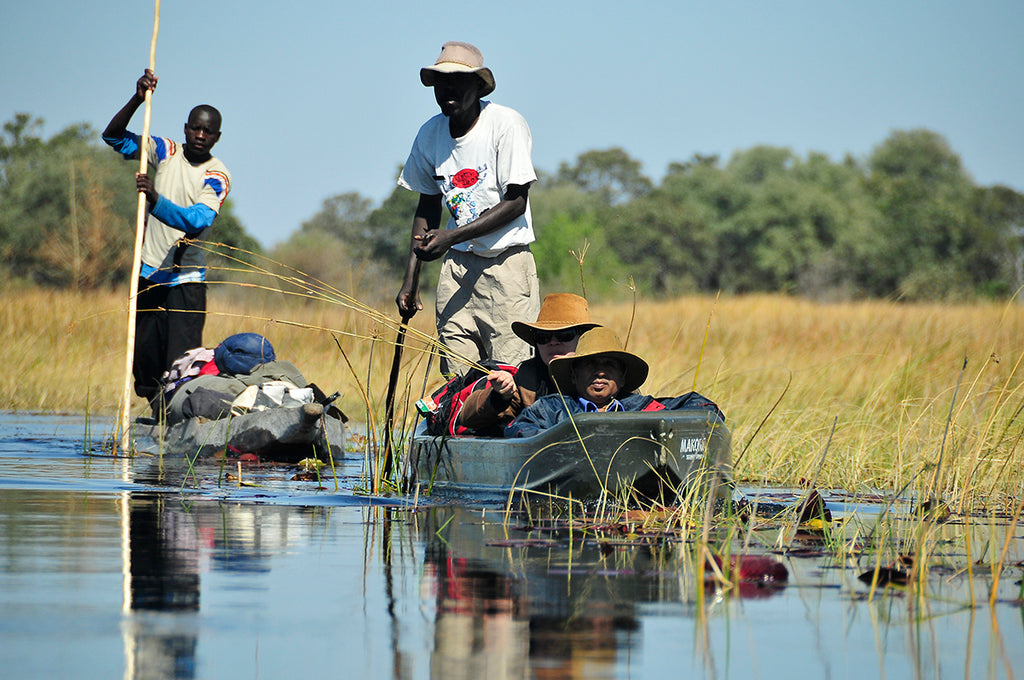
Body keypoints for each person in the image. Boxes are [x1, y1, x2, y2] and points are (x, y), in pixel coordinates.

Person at [395, 41, 540, 376]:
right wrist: (411, 279)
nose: (448, 89)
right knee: (458, 376)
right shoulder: (430, 134)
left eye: (458, 80)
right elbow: (428, 205)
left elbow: (516, 202)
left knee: (511, 374)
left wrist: (452, 235)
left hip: (506, 266)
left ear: (478, 85)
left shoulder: (506, 124)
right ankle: (461, 428)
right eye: (441, 81)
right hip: (456, 270)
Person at [103, 69, 231, 406]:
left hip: (186, 281)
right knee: (145, 365)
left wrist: (155, 198)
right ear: (186, 129)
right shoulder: (165, 150)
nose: (200, 135)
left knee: (182, 367)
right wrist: (138, 97)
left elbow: (194, 221)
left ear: (216, 137)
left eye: (208, 131)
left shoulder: (217, 174)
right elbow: (114, 137)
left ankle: (178, 426)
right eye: (195, 128)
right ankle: (154, 420)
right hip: (149, 275)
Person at [505, 327, 724, 438]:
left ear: (622, 378)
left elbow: (706, 409)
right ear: (574, 375)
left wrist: (663, 427)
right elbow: (517, 430)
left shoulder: (641, 408)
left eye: (609, 365)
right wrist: (565, 439)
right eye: (590, 365)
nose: (600, 372)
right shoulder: (552, 408)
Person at [457, 293, 599, 433]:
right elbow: (468, 418)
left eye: (565, 335)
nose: (553, 342)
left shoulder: (607, 372)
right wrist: (499, 396)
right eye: (543, 337)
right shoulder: (527, 379)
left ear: (583, 338)